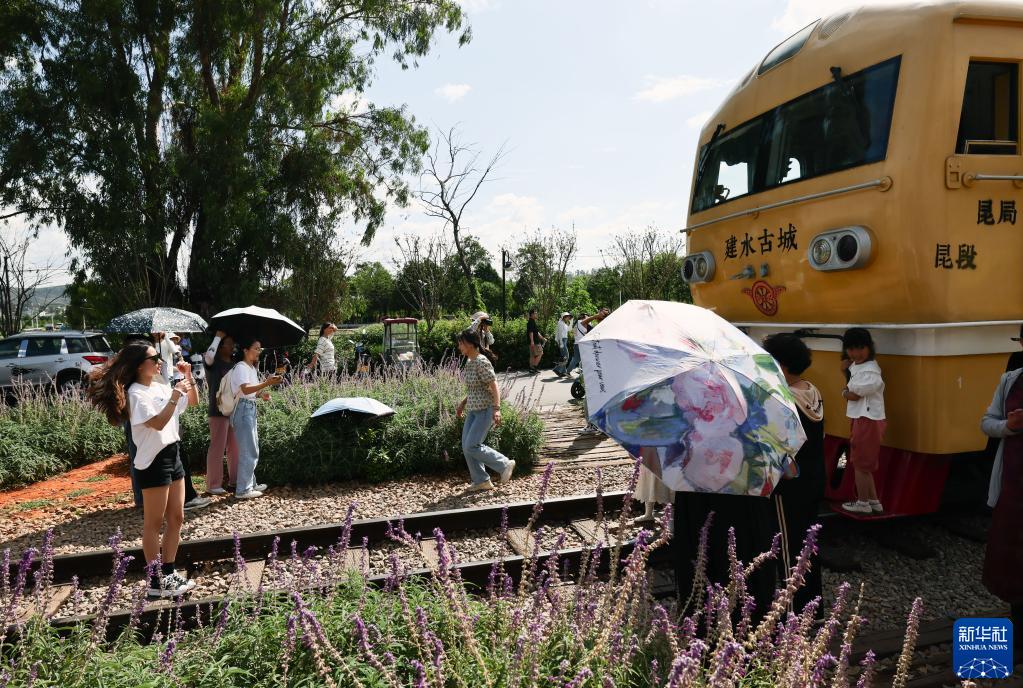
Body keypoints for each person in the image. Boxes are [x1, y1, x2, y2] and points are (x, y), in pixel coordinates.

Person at [87, 341, 199, 598]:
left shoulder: (159, 385)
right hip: (153, 461)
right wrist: (173, 395)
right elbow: (158, 423)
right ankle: (155, 580)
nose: (159, 361)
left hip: (173, 453)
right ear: (139, 366)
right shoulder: (136, 394)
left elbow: (192, 402)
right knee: (154, 522)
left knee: (177, 517)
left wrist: (188, 377)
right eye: (154, 358)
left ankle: (168, 573)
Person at [762, 333, 826, 613]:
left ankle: (796, 612)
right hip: (813, 476)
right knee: (808, 541)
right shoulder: (811, 390)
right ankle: (814, 607)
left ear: (781, 364)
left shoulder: (783, 400)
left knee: (789, 546)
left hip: (789, 484)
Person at [980, 325, 1023, 648]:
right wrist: (1008, 426)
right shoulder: (1010, 380)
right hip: (1013, 480)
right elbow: (987, 423)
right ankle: (1017, 624)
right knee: (1010, 555)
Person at [455, 328, 516, 493]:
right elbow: (475, 389)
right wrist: (462, 403)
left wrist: (497, 409)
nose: (459, 346)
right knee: (467, 446)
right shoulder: (469, 361)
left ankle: (504, 464)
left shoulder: (481, 361)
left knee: (472, 445)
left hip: (485, 410)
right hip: (473, 410)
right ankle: (481, 480)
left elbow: (493, 385)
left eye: (461, 343)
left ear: (470, 344)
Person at [230, 339, 284, 499]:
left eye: (260, 349)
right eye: (256, 349)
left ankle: (250, 483)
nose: (259, 351)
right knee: (248, 449)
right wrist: (266, 383)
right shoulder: (241, 367)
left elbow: (250, 391)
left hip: (248, 407)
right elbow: (245, 389)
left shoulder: (250, 368)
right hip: (243, 409)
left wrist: (261, 394)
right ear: (246, 350)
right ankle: (243, 489)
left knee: (252, 447)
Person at [840, 328, 886, 515]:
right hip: (864, 418)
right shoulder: (860, 367)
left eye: (860, 349)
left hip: (868, 420)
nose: (855, 354)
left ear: (869, 348)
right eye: (851, 349)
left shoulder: (871, 371)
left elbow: (854, 394)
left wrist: (844, 392)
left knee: (860, 464)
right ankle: (874, 501)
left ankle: (863, 502)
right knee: (864, 464)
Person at [203, 330, 239, 495]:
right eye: (229, 343)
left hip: (234, 410)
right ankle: (213, 484)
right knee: (217, 447)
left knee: (235, 447)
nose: (232, 346)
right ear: (220, 347)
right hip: (218, 411)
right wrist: (218, 337)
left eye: (233, 343)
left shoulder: (234, 364)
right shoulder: (213, 363)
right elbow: (209, 356)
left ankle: (235, 481)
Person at [526, 309, 546, 374]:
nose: (536, 314)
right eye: (535, 313)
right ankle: (533, 367)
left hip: (533, 342)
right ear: (532, 314)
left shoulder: (532, 321)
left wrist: (543, 338)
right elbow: (531, 332)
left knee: (533, 355)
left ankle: (531, 369)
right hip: (535, 342)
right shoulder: (531, 322)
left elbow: (536, 332)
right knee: (540, 353)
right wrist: (532, 341)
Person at [553, 312, 572, 377]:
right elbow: (560, 334)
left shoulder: (564, 323)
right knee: (566, 356)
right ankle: (557, 369)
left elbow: (569, 329)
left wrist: (571, 322)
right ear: (563, 317)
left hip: (564, 340)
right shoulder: (560, 323)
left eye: (569, 316)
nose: (568, 318)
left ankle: (563, 372)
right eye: (567, 316)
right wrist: (561, 343)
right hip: (562, 340)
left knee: (564, 357)